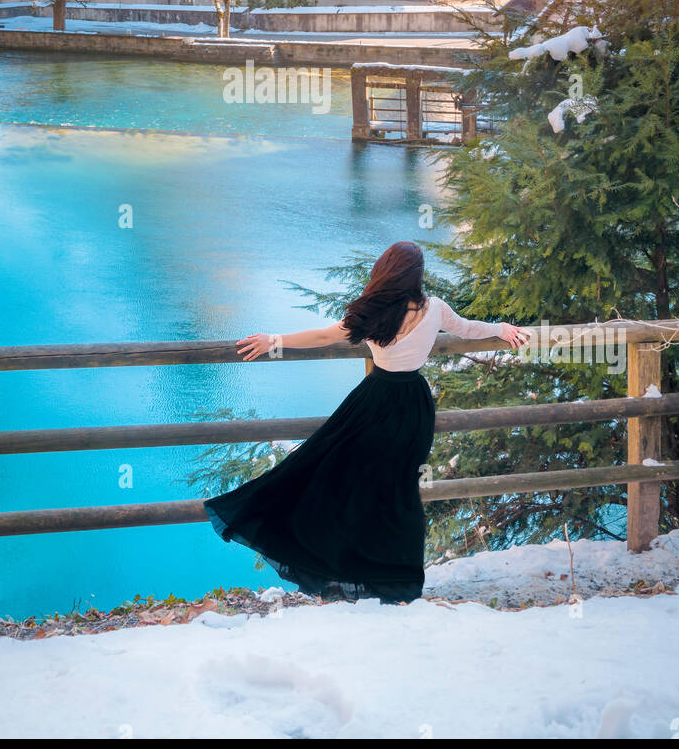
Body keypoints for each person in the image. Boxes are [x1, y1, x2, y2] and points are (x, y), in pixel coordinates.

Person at [204, 241, 530, 604]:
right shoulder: (434, 309)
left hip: (375, 399)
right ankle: (395, 583)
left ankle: (347, 571)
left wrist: (273, 341)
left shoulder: (373, 312)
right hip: (413, 405)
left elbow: (325, 335)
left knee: (335, 474)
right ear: (417, 276)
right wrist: (501, 328)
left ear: (385, 272)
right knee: (399, 493)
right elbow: (467, 328)